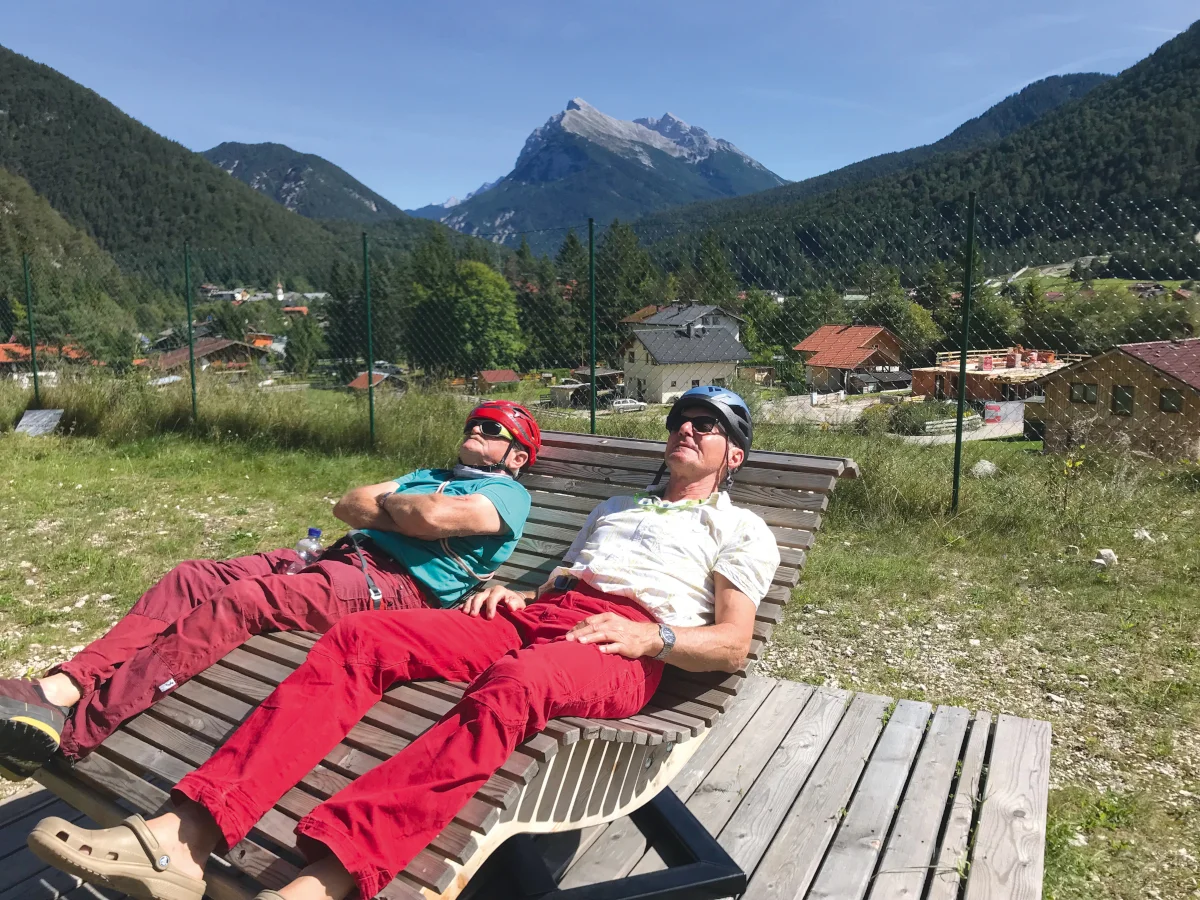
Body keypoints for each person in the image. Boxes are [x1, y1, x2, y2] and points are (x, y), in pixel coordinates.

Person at [29, 387, 779, 900]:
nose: (688, 427)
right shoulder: (616, 508)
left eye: (707, 425)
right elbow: (564, 581)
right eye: (682, 417)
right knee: (363, 639)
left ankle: (326, 880)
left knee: (517, 684)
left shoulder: (741, 529)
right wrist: (523, 592)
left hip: (625, 650)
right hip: (544, 617)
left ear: (732, 457)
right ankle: (182, 836)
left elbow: (732, 645)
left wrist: (653, 634)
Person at [0, 400, 542, 781]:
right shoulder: (429, 470)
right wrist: (407, 512)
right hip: (339, 558)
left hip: (392, 587)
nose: (479, 431)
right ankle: (59, 691)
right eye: (475, 423)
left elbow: (427, 513)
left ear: (516, 456)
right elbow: (349, 505)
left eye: (495, 431)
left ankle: (79, 729)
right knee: (194, 576)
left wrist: (397, 508)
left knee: (244, 601)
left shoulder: (507, 495)